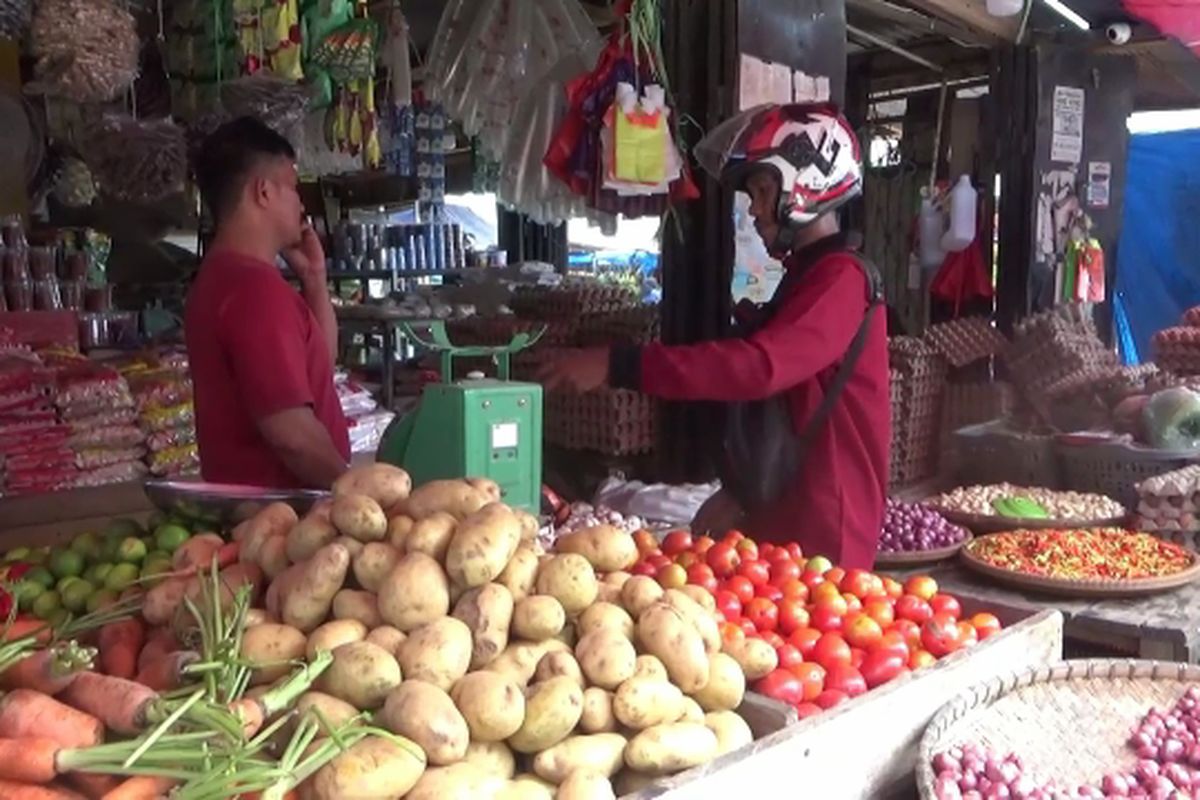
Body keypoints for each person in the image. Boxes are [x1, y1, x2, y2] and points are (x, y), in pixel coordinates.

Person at [539, 104, 890, 569]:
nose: (756, 209)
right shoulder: (807, 277)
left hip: (828, 529)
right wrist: (741, 492)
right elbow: (792, 405)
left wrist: (619, 364)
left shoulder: (842, 280)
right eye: (752, 196)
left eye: (764, 190)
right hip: (790, 512)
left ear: (808, 183)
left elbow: (759, 368)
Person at [185, 117, 350, 489]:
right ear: (264, 192)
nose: (301, 205)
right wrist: (357, 495)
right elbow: (291, 435)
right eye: (293, 188)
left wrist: (314, 279)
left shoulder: (221, 278)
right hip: (282, 521)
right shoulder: (253, 291)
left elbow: (321, 363)